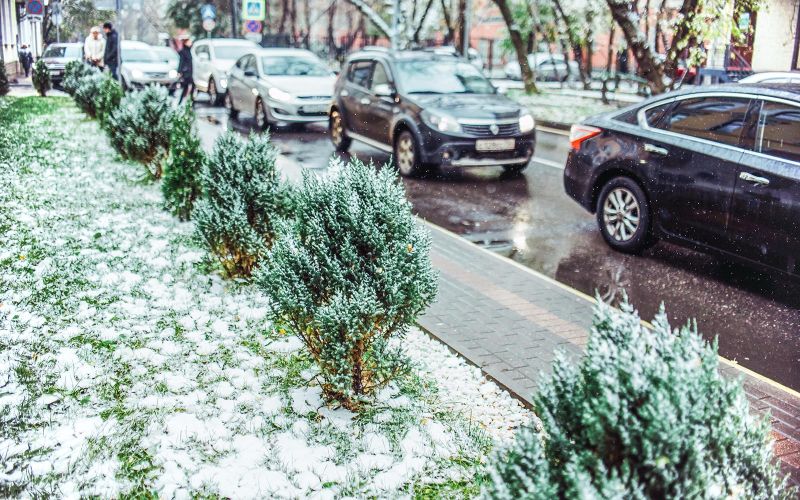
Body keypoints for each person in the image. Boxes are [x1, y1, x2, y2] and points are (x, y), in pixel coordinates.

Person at [177, 38, 194, 104]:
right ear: (185, 43)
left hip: (189, 73)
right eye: (189, 42)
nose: (191, 43)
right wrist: (179, 71)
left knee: (187, 87)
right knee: (186, 87)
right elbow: (181, 62)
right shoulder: (183, 51)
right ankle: (187, 101)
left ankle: (187, 101)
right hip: (186, 73)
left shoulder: (189, 50)